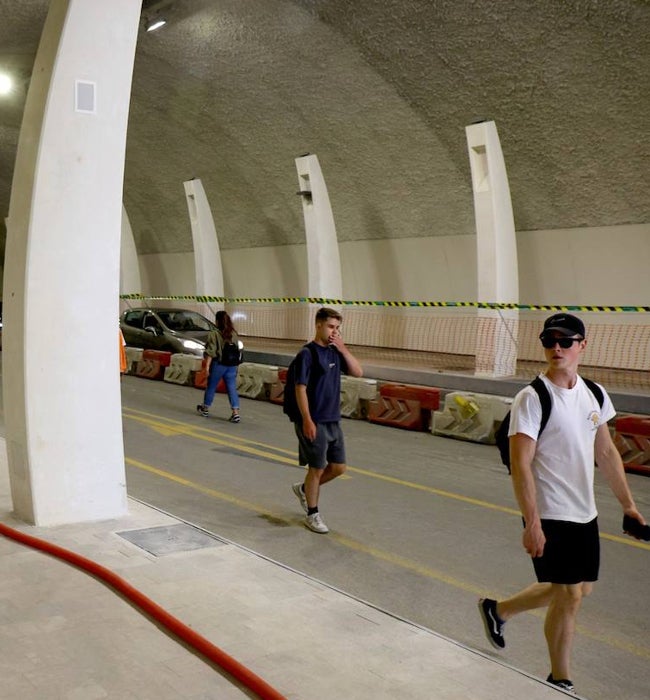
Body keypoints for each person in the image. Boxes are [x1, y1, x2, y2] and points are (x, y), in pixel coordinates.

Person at [478, 313, 646, 694]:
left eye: (566, 341)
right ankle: (560, 678)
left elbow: (606, 452)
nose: (557, 347)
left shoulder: (594, 393)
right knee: (569, 593)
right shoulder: (532, 398)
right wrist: (532, 522)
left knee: (578, 589)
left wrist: (629, 506)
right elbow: (520, 465)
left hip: (583, 510)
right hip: (550, 510)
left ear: (581, 346)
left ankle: (498, 610)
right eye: (550, 340)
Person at [290, 307, 363, 534]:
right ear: (318, 325)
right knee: (317, 468)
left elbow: (358, 372)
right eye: (331, 327)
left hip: (333, 419)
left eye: (338, 328)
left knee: (339, 467)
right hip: (315, 419)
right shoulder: (307, 354)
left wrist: (343, 348)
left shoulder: (334, 352)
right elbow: (299, 388)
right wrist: (307, 420)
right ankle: (312, 514)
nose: (334, 332)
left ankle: (303, 489)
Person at [196, 310, 241, 423]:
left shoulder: (214, 334)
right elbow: (237, 350)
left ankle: (205, 408)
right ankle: (235, 413)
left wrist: (206, 368)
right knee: (231, 388)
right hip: (231, 365)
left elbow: (211, 352)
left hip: (219, 364)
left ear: (217, 321)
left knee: (211, 386)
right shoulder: (234, 333)